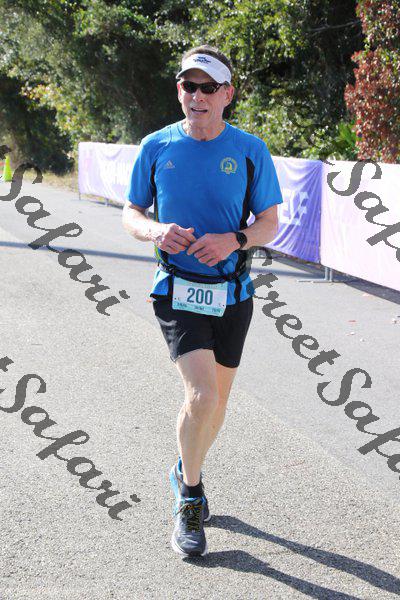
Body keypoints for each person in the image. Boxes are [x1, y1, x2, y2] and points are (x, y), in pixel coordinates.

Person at [122, 44, 283, 557]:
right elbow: (131, 212)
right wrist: (155, 231)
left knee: (218, 404)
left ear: (227, 94)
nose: (196, 96)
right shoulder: (156, 145)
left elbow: (270, 224)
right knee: (202, 396)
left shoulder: (250, 150)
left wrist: (233, 240)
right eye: (188, 86)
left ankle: (182, 467)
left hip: (233, 293)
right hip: (177, 289)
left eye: (207, 87)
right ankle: (190, 496)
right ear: (179, 92)